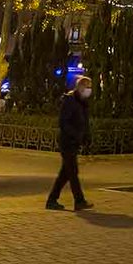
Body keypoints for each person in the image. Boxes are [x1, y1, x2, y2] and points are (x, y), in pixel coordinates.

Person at [47, 76, 94, 211]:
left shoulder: (82, 102)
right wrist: (75, 135)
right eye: (87, 87)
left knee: (66, 173)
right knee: (72, 171)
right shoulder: (70, 101)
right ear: (80, 87)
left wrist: (86, 137)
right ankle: (79, 201)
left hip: (75, 141)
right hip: (67, 141)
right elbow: (64, 122)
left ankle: (52, 199)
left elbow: (84, 122)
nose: (89, 90)